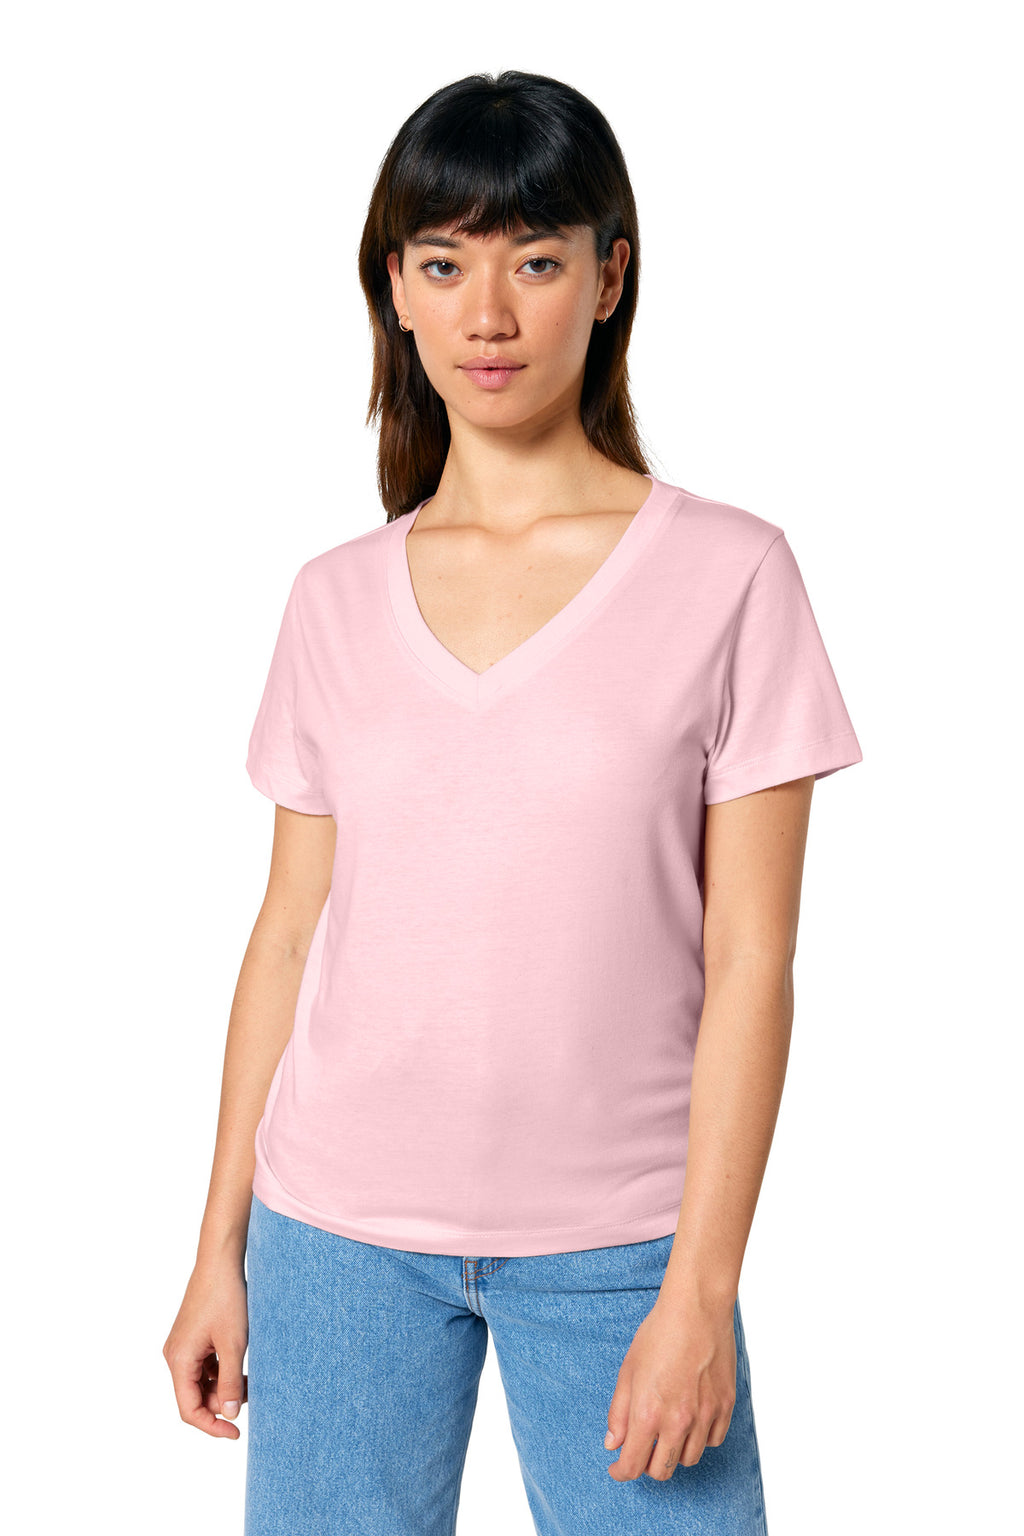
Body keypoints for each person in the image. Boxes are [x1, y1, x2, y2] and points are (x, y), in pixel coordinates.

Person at [163, 70, 863, 1536]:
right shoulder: (333, 599)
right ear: (395, 292)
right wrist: (219, 1243)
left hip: (623, 1250)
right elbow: (287, 935)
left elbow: (753, 960)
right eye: (444, 264)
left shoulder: (730, 576)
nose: (488, 314)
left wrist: (702, 1290)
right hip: (335, 1242)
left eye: (536, 262)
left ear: (609, 279)